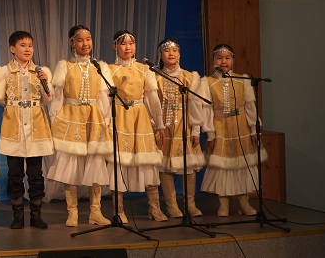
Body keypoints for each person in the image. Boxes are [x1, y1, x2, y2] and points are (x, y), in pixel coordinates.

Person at [47, 25, 112, 227]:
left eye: (88, 39)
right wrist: (55, 122)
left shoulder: (99, 67)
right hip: (71, 117)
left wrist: (105, 121)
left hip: (93, 118)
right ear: (72, 43)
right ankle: (72, 212)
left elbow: (103, 98)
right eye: (80, 40)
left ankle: (95, 212)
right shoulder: (65, 66)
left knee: (96, 166)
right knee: (70, 167)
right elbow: (57, 98)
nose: (85, 43)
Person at [0, 30, 53, 229]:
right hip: (14, 125)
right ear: (12, 48)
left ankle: (36, 214)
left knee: (36, 173)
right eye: (22, 45)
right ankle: (17, 215)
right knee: (15, 173)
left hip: (36, 125)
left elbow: (48, 99)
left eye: (30, 46)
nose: (27, 49)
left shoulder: (41, 71)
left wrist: (44, 82)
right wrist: (13, 106)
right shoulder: (4, 72)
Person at [106, 30, 166, 223]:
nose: (128, 47)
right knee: (119, 162)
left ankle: (154, 208)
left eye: (131, 43)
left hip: (140, 117)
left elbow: (152, 97)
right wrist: (105, 123)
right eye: (123, 43)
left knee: (147, 161)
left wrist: (159, 124)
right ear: (115, 46)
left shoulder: (144, 69)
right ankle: (119, 210)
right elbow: (105, 100)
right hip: (119, 116)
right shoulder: (109, 69)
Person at [200, 44, 266, 216]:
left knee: (242, 164)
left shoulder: (242, 80)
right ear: (213, 60)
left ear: (233, 60)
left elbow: (250, 107)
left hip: (241, 126)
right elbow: (206, 111)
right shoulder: (208, 82)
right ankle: (223, 203)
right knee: (222, 166)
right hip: (220, 126)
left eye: (227, 58)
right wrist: (210, 133)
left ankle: (243, 202)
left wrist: (254, 129)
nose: (223, 62)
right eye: (219, 58)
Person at [154, 38, 210, 217]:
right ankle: (171, 205)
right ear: (160, 55)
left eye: (174, 50)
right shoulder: (155, 78)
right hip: (163, 127)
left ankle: (190, 204)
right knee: (165, 166)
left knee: (189, 166)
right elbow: (152, 105)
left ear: (179, 54)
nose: (171, 53)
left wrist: (196, 130)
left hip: (184, 126)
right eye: (167, 50)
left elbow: (196, 105)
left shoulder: (189, 77)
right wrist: (156, 126)